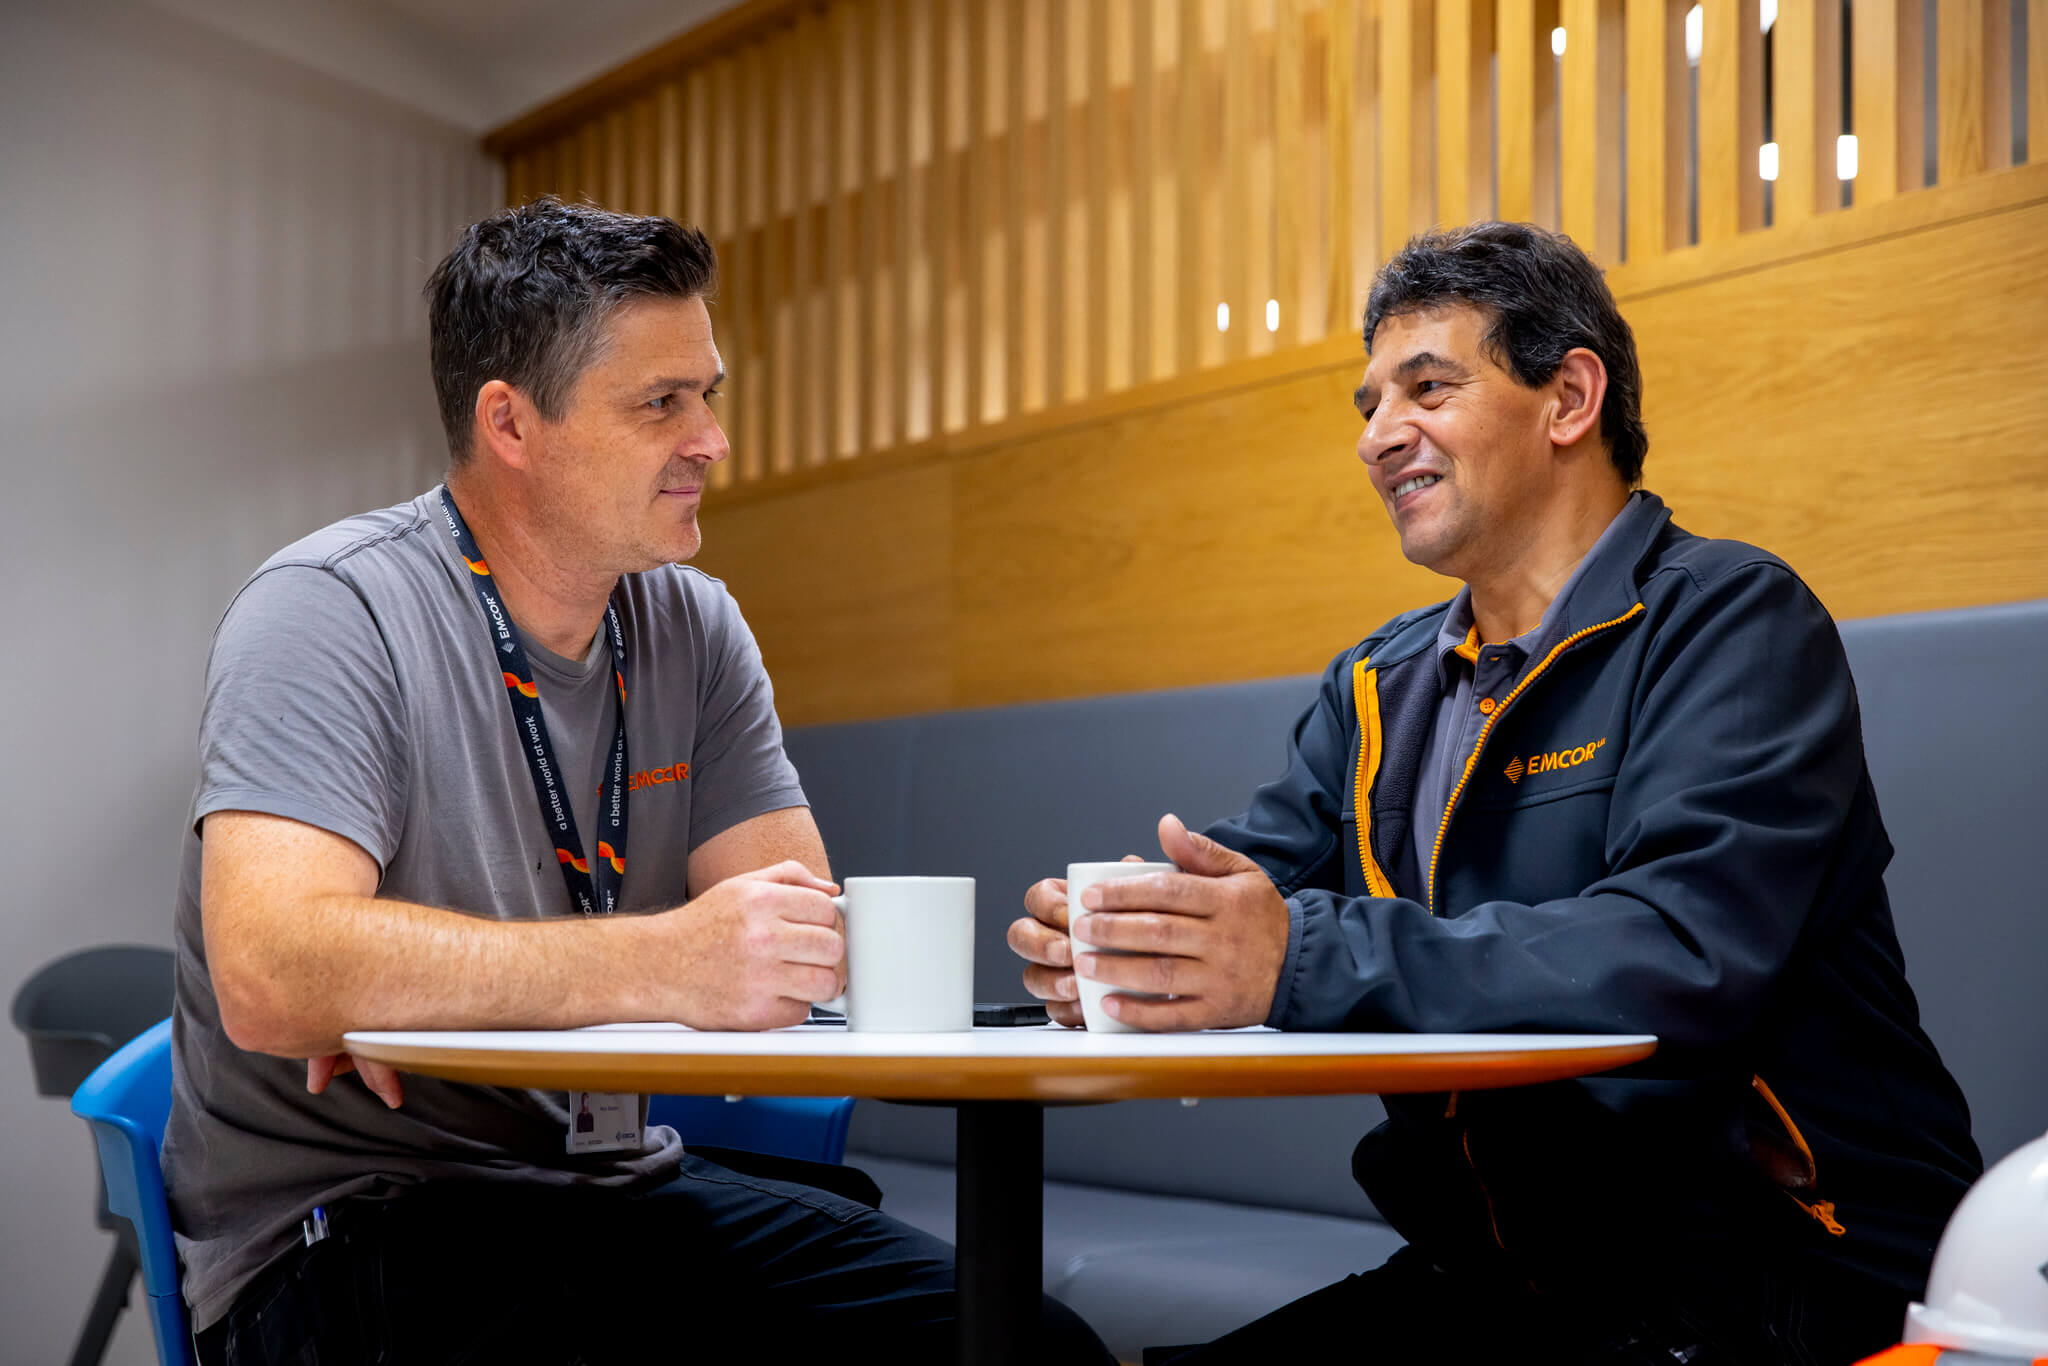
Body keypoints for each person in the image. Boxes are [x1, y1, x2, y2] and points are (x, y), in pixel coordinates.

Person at [1008, 222, 1981, 1363]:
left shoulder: (1729, 621)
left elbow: (1674, 953)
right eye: (1367, 404)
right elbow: (1253, 882)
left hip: (1768, 1281)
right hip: (1508, 1277)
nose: (1379, 436)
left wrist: (1291, 958)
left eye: (1426, 387)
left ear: (1568, 396)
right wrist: (1132, 939)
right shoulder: (1377, 684)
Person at [164, 197, 1110, 1365]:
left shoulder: (691, 627)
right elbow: (274, 973)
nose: (710, 439)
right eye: (660, 403)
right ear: (510, 422)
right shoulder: (328, 609)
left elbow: (797, 938)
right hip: (356, 1223)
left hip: (605, 1194)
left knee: (1019, 1345)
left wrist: (416, 980)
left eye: (706, 393)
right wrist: (659, 960)